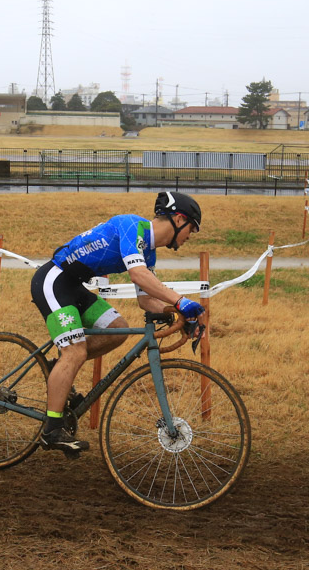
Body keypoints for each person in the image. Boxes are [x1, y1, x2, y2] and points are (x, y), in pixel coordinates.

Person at [29, 191, 204, 455]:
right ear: (179, 219)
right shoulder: (132, 225)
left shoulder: (150, 253)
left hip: (75, 286)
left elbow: (146, 301)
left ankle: (58, 368)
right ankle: (52, 429)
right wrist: (181, 301)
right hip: (54, 280)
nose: (191, 236)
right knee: (75, 351)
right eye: (192, 228)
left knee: (116, 329)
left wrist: (179, 313)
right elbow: (137, 274)